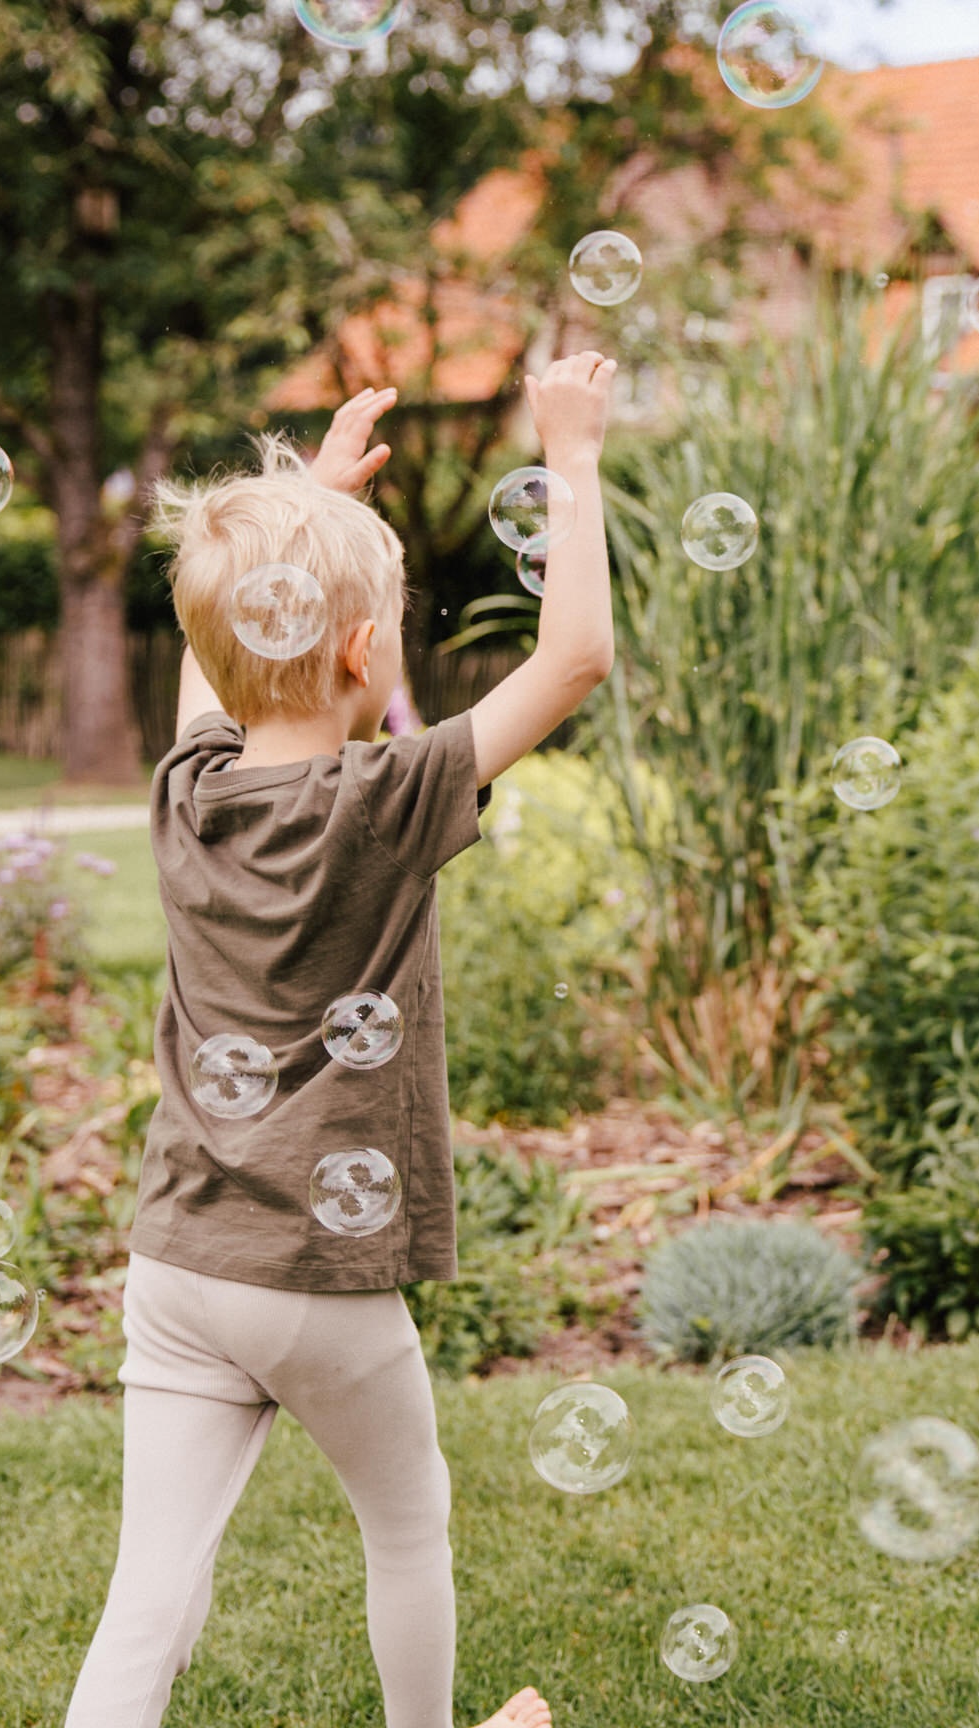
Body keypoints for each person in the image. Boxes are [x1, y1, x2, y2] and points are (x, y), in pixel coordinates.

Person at [64, 357, 617, 1728]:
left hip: (180, 1256)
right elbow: (574, 661)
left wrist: (303, 508)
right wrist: (574, 454)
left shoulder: (189, 792)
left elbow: (218, 664)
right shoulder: (388, 797)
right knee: (407, 1523)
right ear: (366, 655)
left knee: (150, 1586)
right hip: (316, 1270)